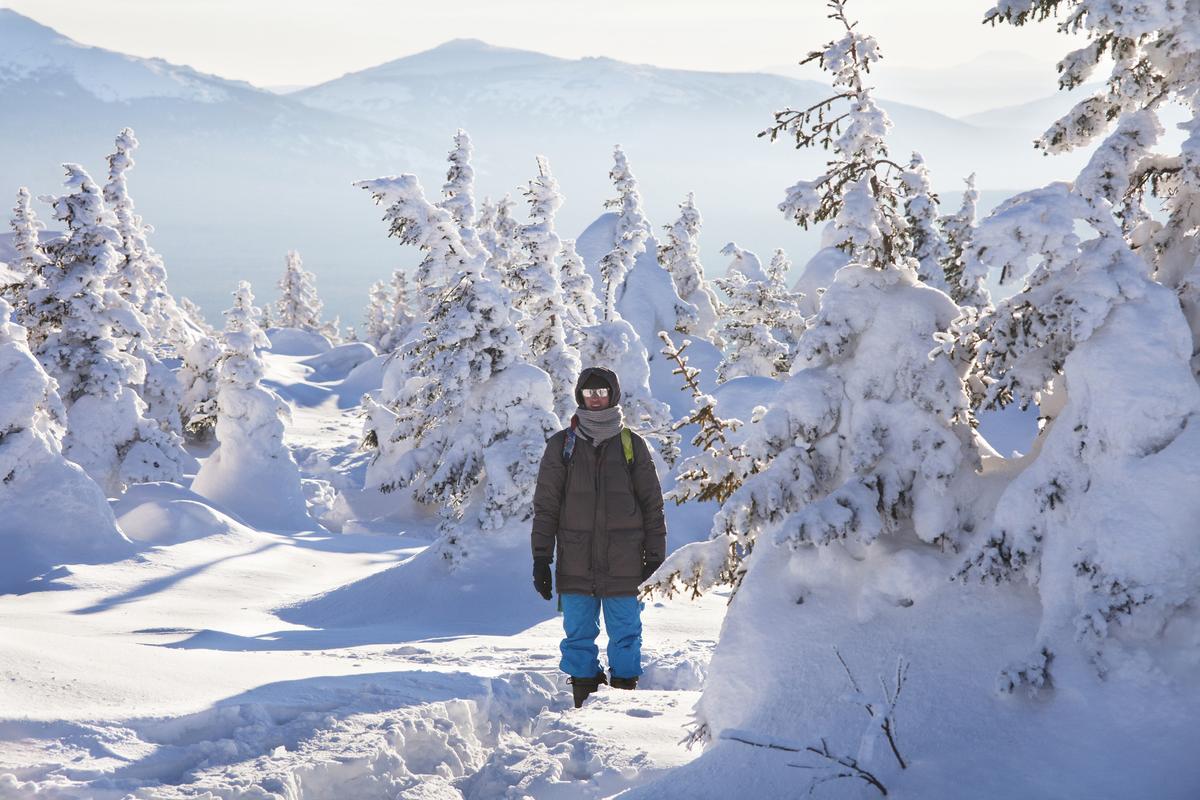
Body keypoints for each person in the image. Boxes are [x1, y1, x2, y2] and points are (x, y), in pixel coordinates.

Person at [530, 366, 667, 708]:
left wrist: (656, 557)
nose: (594, 398)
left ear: (613, 395)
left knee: (625, 636)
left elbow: (653, 506)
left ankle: (622, 700)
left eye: (601, 392)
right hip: (576, 561)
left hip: (625, 563)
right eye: (588, 393)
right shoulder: (562, 446)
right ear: (580, 397)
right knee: (578, 635)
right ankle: (584, 695)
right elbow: (546, 507)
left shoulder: (631, 445)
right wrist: (541, 559)